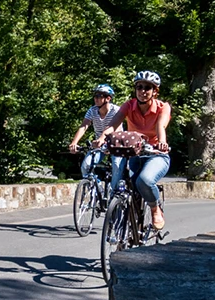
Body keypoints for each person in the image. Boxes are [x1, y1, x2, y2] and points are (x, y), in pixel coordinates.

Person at [97, 70, 171, 230]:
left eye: (147, 88)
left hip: (156, 154)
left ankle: (154, 209)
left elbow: (160, 126)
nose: (143, 91)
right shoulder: (129, 105)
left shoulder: (163, 107)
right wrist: (102, 138)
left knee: (143, 181)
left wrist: (162, 142)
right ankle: (126, 221)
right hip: (134, 154)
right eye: (139, 87)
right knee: (123, 185)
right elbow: (113, 125)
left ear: (155, 91)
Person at [67, 84, 124, 194]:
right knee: (86, 166)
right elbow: (84, 126)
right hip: (100, 144)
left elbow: (115, 128)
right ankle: (97, 191)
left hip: (116, 144)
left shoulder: (116, 110)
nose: (96, 99)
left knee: (117, 166)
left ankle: (113, 195)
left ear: (108, 98)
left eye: (99, 96)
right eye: (95, 96)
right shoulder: (92, 111)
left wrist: (105, 141)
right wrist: (74, 143)